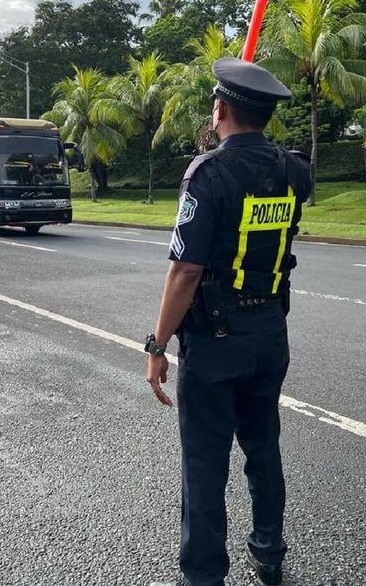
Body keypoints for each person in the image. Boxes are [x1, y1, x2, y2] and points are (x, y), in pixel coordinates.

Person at [146, 57, 312, 586]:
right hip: (269, 332)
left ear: (220, 108)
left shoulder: (208, 174)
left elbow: (185, 269)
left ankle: (203, 574)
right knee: (263, 446)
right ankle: (269, 551)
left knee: (204, 460)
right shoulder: (294, 170)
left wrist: (157, 344)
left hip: (215, 339)